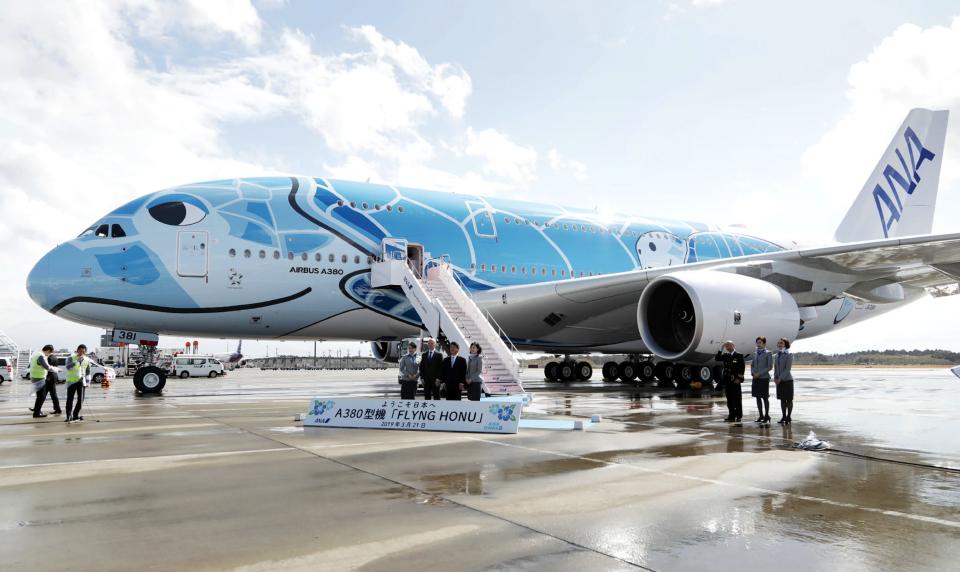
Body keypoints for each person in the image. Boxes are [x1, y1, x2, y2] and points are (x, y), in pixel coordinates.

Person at [715, 340, 745, 422]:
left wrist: (739, 379)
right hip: (727, 380)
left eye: (729, 345)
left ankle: (739, 415)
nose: (728, 347)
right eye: (726, 346)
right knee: (729, 399)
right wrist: (721, 348)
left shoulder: (739, 355)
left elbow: (742, 368)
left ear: (733, 345)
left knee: (737, 399)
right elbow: (717, 358)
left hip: (735, 380)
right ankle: (731, 415)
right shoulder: (725, 355)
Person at [29, 345, 60, 418]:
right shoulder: (41, 356)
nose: (48, 355)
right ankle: (37, 413)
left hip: (35, 377)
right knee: (41, 396)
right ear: (48, 351)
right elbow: (47, 367)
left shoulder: (36, 354)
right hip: (40, 378)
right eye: (49, 353)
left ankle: (37, 411)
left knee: (41, 396)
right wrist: (57, 369)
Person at [64, 344, 93, 423]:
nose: (81, 352)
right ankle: (68, 416)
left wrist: (88, 382)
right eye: (80, 351)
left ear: (85, 352)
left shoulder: (87, 359)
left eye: (83, 351)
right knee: (70, 399)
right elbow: (67, 367)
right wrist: (76, 361)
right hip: (71, 381)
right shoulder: (71, 358)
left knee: (81, 399)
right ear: (77, 350)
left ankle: (75, 415)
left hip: (81, 381)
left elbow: (88, 371)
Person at [750, 336, 773, 424]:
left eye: (760, 342)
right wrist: (752, 373)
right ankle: (761, 415)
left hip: (763, 378)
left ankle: (767, 415)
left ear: (764, 343)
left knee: (765, 397)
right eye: (757, 342)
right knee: (757, 397)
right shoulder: (755, 353)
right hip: (755, 378)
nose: (758, 344)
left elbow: (770, 366)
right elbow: (752, 365)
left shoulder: (768, 353)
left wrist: (759, 374)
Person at [774, 338, 794, 424]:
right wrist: (775, 377)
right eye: (778, 343)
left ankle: (789, 417)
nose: (779, 345)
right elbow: (775, 368)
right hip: (779, 381)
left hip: (787, 380)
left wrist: (780, 378)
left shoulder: (789, 355)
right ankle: (784, 416)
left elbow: (787, 369)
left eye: (781, 343)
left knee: (788, 400)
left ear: (785, 344)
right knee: (782, 400)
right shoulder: (777, 355)